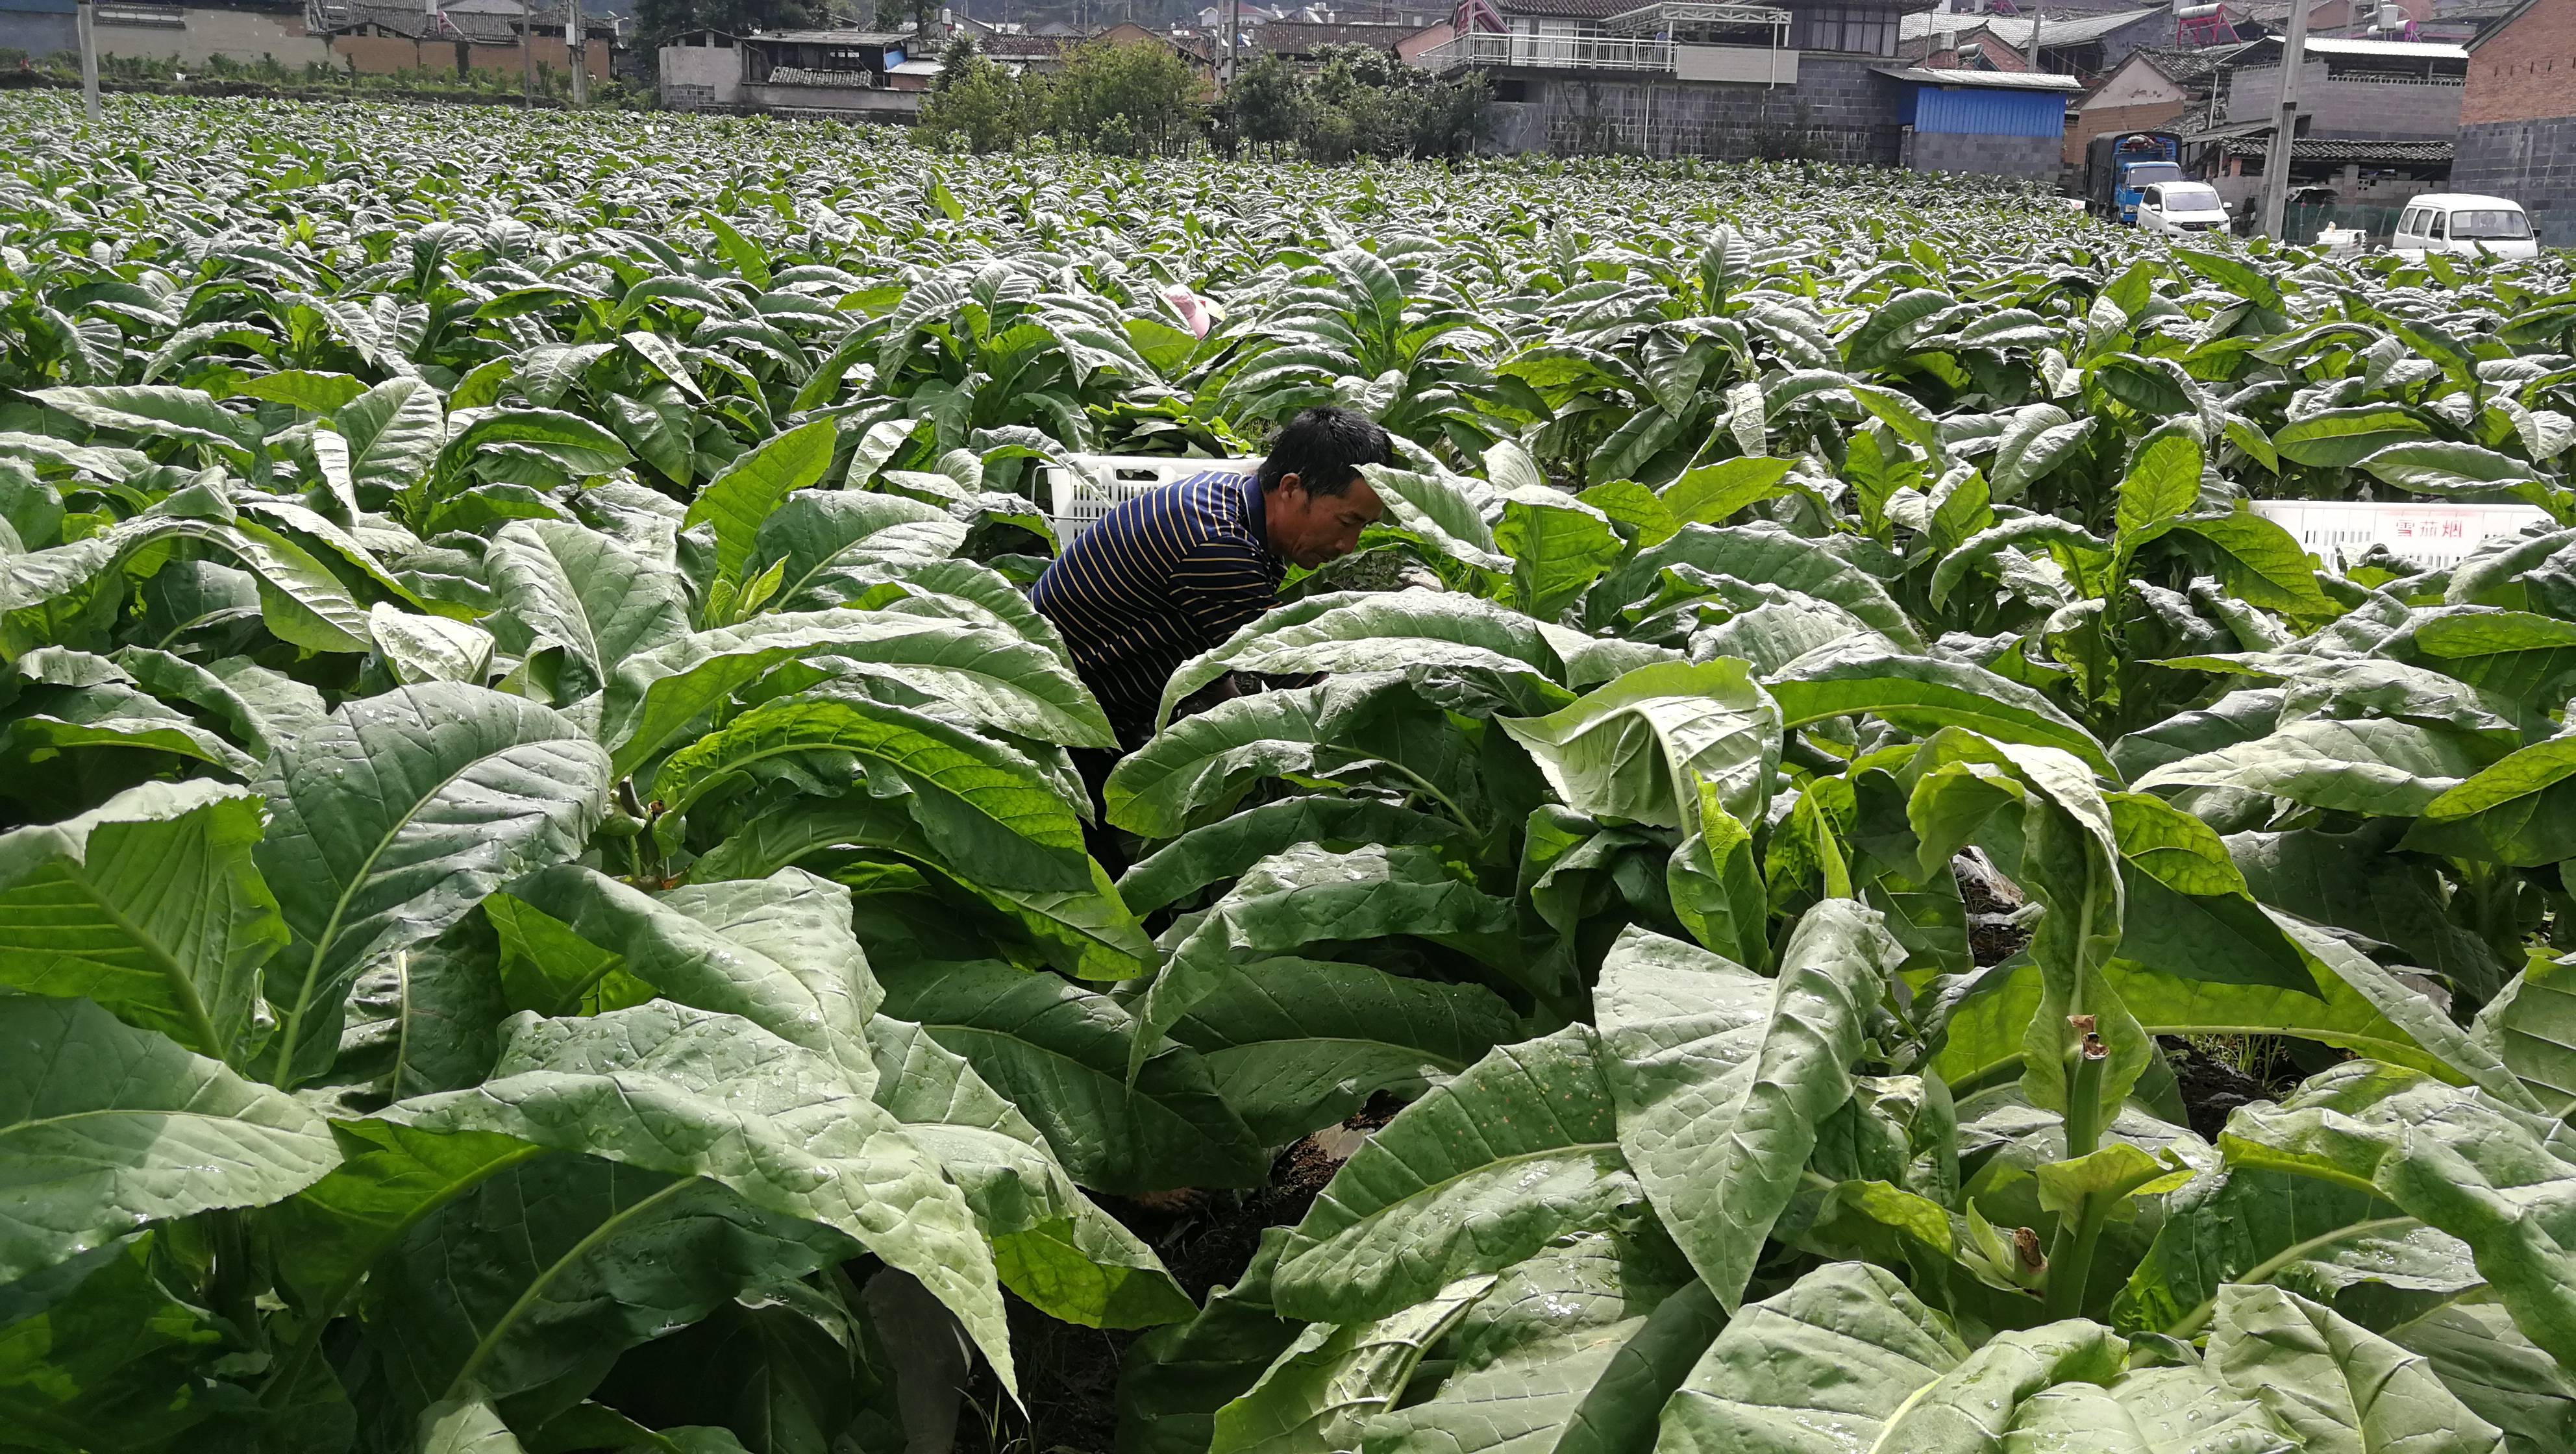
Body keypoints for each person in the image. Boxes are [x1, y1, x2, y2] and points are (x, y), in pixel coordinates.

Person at [1030, 406, 1393, 859]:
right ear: (1291, 489)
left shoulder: (1238, 500)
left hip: (1097, 701)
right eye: (1347, 522)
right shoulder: (1218, 545)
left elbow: (1215, 640)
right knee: (1104, 893)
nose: (1348, 546)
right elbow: (1306, 682)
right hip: (1059, 723)